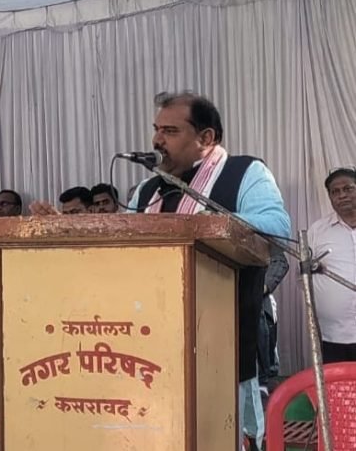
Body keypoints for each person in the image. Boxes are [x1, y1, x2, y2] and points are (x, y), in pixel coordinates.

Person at [128, 92, 290, 449]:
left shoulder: (244, 172)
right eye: (157, 129)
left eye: (170, 131)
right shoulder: (148, 190)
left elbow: (277, 226)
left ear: (206, 137)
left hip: (223, 345)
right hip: (150, 345)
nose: (157, 140)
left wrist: (208, 222)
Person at [309, 167, 356, 363]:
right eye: (335, 192)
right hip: (333, 335)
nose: (342, 195)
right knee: (338, 381)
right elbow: (303, 278)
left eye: (348, 189)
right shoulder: (317, 231)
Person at [258, 246, 289, 395]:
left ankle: (263, 380)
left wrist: (261, 288)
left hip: (258, 300)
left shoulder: (263, 235)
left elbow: (280, 262)